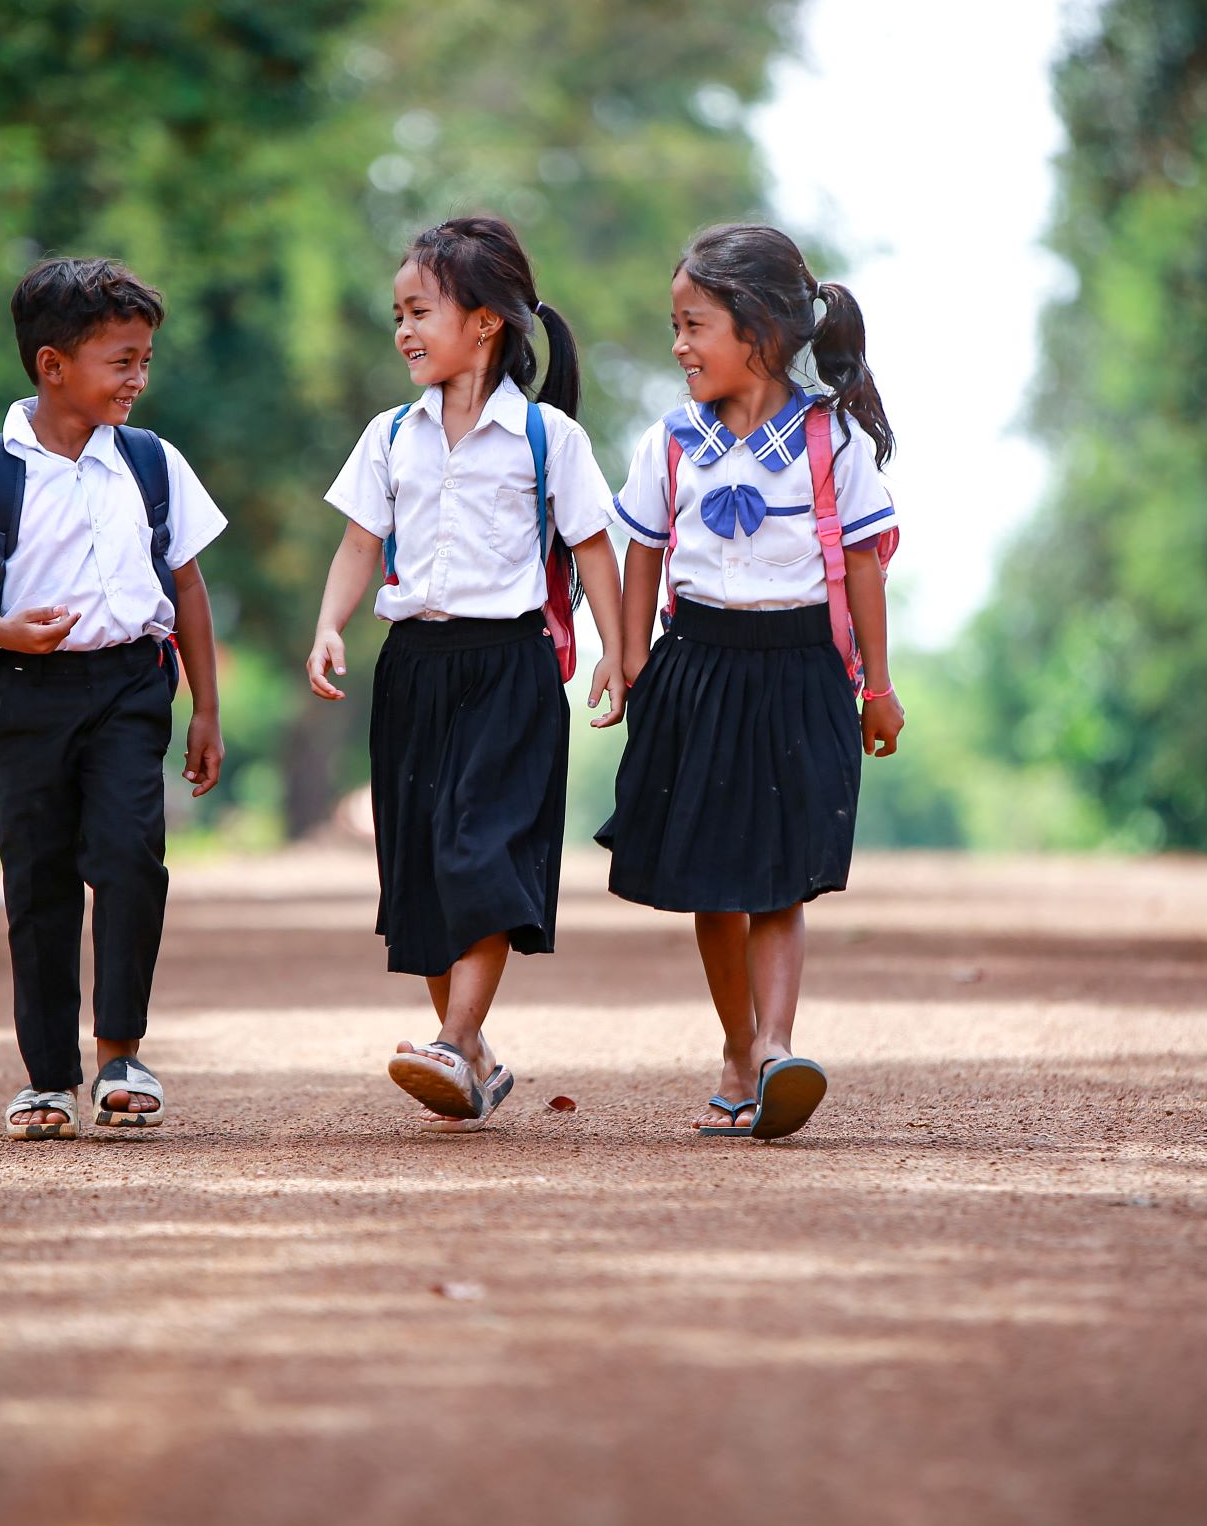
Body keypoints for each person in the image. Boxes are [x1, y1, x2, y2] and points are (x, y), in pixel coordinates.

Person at [307, 216, 625, 1130]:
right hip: (414, 670)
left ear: (485, 322)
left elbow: (593, 548)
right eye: (398, 314)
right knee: (422, 869)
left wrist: (614, 649)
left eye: (421, 310)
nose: (404, 329)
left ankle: (452, 1041)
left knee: (483, 856)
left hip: (510, 669)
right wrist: (331, 625)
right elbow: (360, 542)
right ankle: (471, 1048)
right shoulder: (388, 436)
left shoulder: (546, 437)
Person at [596, 223, 905, 1141]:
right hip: (697, 670)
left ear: (762, 333)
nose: (680, 345)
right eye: (676, 327)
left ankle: (775, 1049)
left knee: (780, 879)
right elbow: (642, 551)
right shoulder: (670, 442)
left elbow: (861, 569)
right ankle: (738, 1045)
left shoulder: (829, 439)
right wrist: (629, 657)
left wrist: (876, 687)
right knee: (712, 882)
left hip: (801, 672)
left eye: (696, 325)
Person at [0, 256, 227, 1140]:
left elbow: (189, 587)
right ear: (53, 367)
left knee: (131, 858)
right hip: (27, 693)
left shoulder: (152, 463)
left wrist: (204, 708)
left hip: (131, 686)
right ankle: (47, 1078)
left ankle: (121, 1056)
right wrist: (8, 633)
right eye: (121, 360)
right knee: (39, 880)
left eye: (145, 359)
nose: (139, 377)